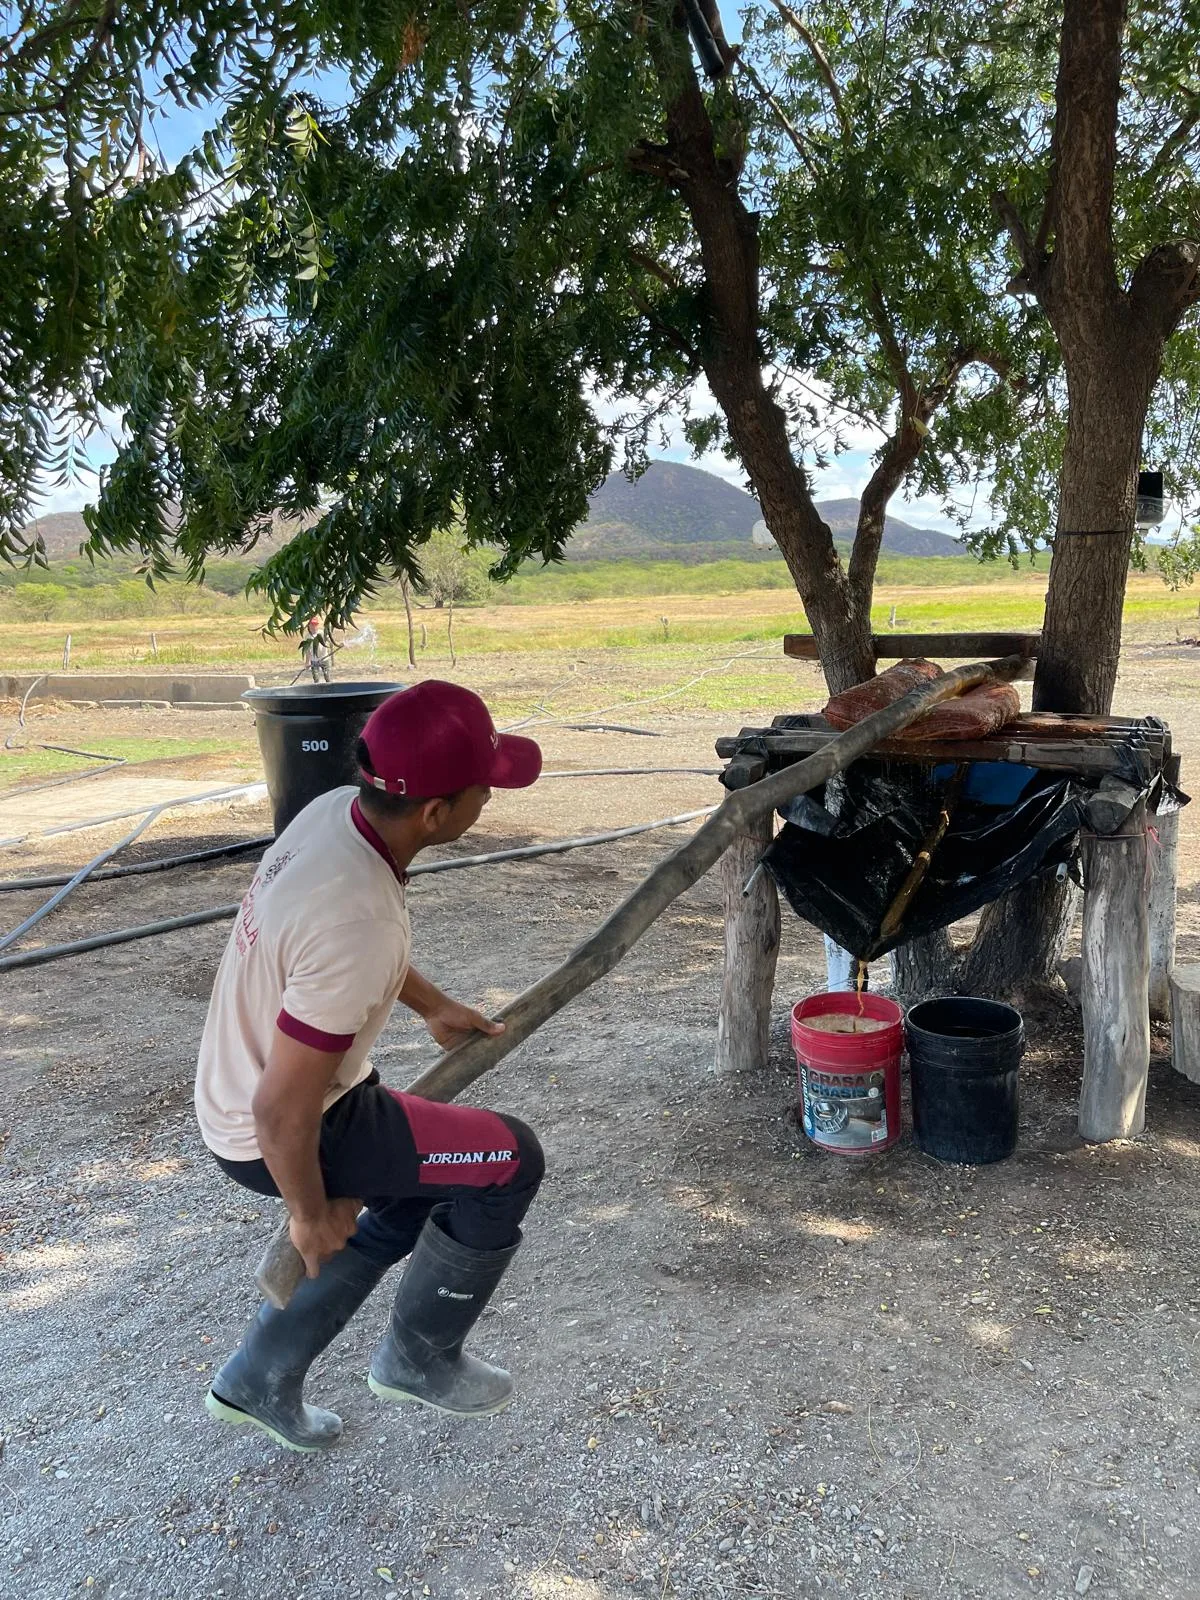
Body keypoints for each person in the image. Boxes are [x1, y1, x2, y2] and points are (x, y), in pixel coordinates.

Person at [194, 681, 544, 1452]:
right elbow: (281, 1110)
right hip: (285, 1124)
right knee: (509, 1160)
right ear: (435, 814)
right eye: (482, 788)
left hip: (246, 1090)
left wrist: (431, 1004)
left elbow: (330, 959)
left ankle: (259, 1376)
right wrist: (309, 1213)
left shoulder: (332, 814)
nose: (490, 797)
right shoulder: (360, 917)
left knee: (416, 1189)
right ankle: (419, 1359)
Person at [301, 616, 332, 682]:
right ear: (309, 625)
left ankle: (329, 687)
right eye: (312, 624)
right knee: (316, 678)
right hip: (314, 660)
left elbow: (330, 641)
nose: (313, 626)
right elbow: (307, 651)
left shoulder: (322, 633)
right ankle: (317, 687)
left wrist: (339, 644)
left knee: (327, 677)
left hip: (324, 658)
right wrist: (307, 662)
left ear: (317, 625)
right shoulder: (307, 637)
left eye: (315, 624)